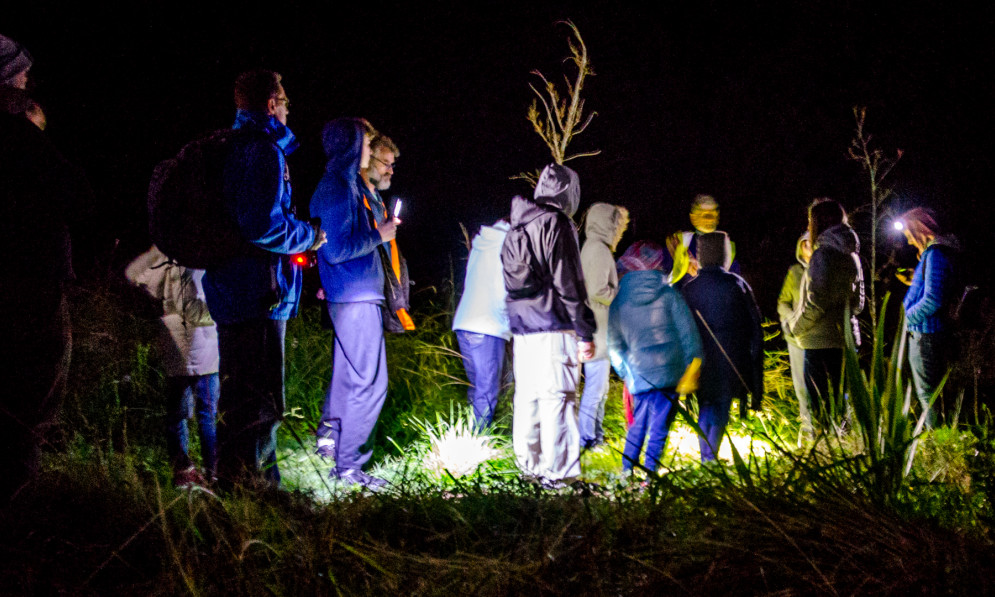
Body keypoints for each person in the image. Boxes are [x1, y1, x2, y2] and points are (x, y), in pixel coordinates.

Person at [202, 70, 326, 488]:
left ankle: (249, 488)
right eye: (286, 102)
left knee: (242, 398)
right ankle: (251, 495)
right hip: (259, 293)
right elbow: (261, 225)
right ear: (272, 105)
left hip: (235, 289)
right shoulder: (263, 151)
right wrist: (310, 235)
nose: (290, 111)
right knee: (260, 402)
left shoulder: (231, 147)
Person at [0, 33, 86, 501]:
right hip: (30, 284)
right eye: (22, 72)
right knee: (33, 391)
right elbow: (78, 195)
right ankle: (18, 503)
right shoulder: (19, 137)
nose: (28, 80)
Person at [310, 118, 399, 489]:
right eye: (364, 143)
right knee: (370, 383)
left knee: (350, 380)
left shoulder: (345, 185)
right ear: (349, 146)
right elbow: (336, 250)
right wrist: (379, 235)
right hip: (354, 297)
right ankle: (350, 467)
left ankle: (343, 458)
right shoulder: (335, 188)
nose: (369, 149)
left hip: (357, 296)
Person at [501, 163, 596, 486]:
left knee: (527, 397)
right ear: (569, 193)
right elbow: (569, 280)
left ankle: (530, 468)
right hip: (555, 325)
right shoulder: (557, 223)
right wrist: (584, 330)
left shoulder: (516, 226)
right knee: (559, 397)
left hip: (522, 329)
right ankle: (561, 476)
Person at [127, 246, 219, 486]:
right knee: (206, 413)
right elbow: (191, 308)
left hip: (176, 340)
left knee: (178, 412)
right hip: (200, 344)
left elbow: (133, 273)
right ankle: (212, 472)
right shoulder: (195, 256)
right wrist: (222, 314)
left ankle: (184, 471)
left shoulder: (168, 252)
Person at [607, 242, 702, 473]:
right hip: (670, 373)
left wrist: (624, 370)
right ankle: (649, 477)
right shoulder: (669, 294)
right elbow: (687, 333)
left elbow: (613, 342)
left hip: (638, 373)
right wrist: (693, 363)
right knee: (659, 428)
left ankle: (626, 472)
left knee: (637, 425)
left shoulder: (619, 300)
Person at [681, 232, 764, 461]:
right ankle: (709, 458)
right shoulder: (737, 284)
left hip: (701, 356)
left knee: (706, 403)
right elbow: (755, 327)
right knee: (721, 405)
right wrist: (754, 370)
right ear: (724, 253)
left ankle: (707, 455)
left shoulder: (690, 288)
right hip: (731, 354)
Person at [786, 199, 864, 429]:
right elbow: (859, 304)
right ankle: (845, 450)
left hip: (818, 341)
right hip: (846, 338)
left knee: (820, 405)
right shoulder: (853, 257)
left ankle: (823, 451)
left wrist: (795, 326)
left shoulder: (822, 255)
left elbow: (816, 302)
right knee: (842, 403)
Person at [898, 207, 960, 428]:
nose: (909, 242)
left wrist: (907, 319)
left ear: (918, 230)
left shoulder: (936, 253)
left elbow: (933, 299)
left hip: (926, 333)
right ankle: (942, 438)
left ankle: (937, 441)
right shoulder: (937, 254)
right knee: (933, 392)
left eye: (908, 235)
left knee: (927, 394)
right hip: (929, 333)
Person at [578, 203, 629, 449]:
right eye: (617, 225)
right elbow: (597, 289)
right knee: (596, 388)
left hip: (598, 327)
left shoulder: (593, 248)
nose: (619, 230)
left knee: (600, 388)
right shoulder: (598, 250)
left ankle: (594, 437)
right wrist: (619, 293)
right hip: (598, 327)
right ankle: (586, 438)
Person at [452, 219, 512, 428]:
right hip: (489, 325)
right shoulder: (508, 245)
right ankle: (479, 440)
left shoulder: (481, 243)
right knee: (487, 388)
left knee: (477, 385)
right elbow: (503, 289)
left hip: (464, 322)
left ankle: (470, 433)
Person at [777, 232, 814, 437]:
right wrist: (791, 319)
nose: (808, 249)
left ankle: (836, 430)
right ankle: (807, 429)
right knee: (801, 385)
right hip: (796, 338)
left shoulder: (824, 271)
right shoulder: (795, 272)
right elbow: (783, 301)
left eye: (811, 245)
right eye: (804, 246)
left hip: (820, 337)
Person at [666, 194, 738, 285]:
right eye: (704, 214)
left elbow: (734, 285)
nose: (709, 219)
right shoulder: (679, 243)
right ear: (693, 218)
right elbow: (666, 281)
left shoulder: (727, 248)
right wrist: (682, 267)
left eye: (712, 213)